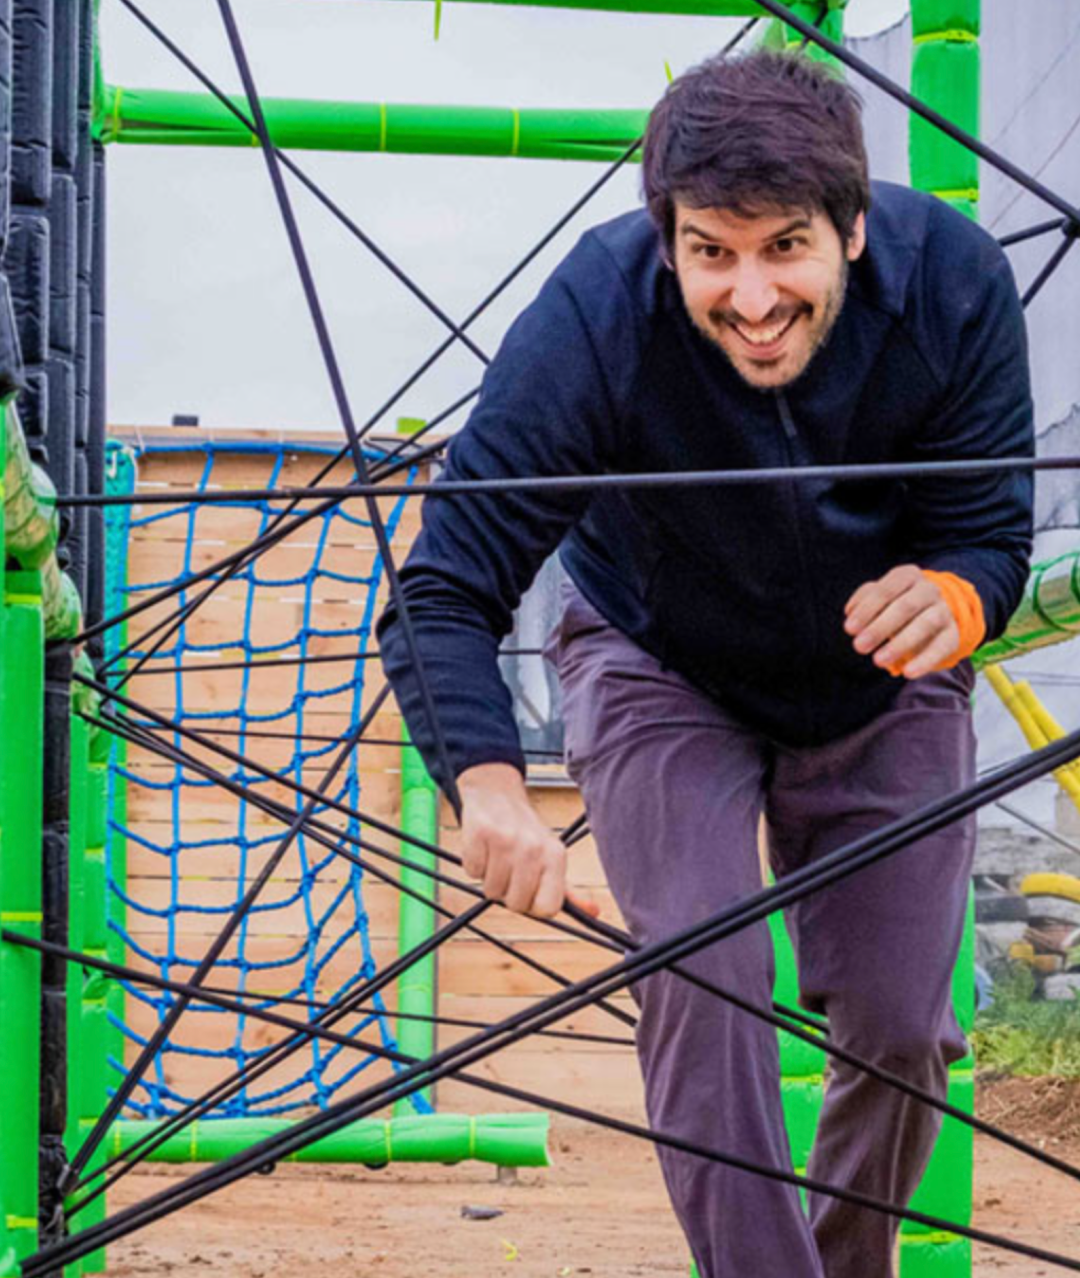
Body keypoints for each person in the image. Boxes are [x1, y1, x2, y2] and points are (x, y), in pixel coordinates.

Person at [378, 51, 1032, 1278]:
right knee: (702, 965)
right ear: (664, 237)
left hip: (877, 672)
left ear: (851, 226)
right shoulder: (593, 314)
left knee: (904, 1025)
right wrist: (486, 780)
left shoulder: (954, 283)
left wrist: (954, 592)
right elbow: (445, 584)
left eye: (784, 246)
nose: (748, 294)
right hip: (655, 657)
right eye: (709, 251)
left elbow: (990, 534)